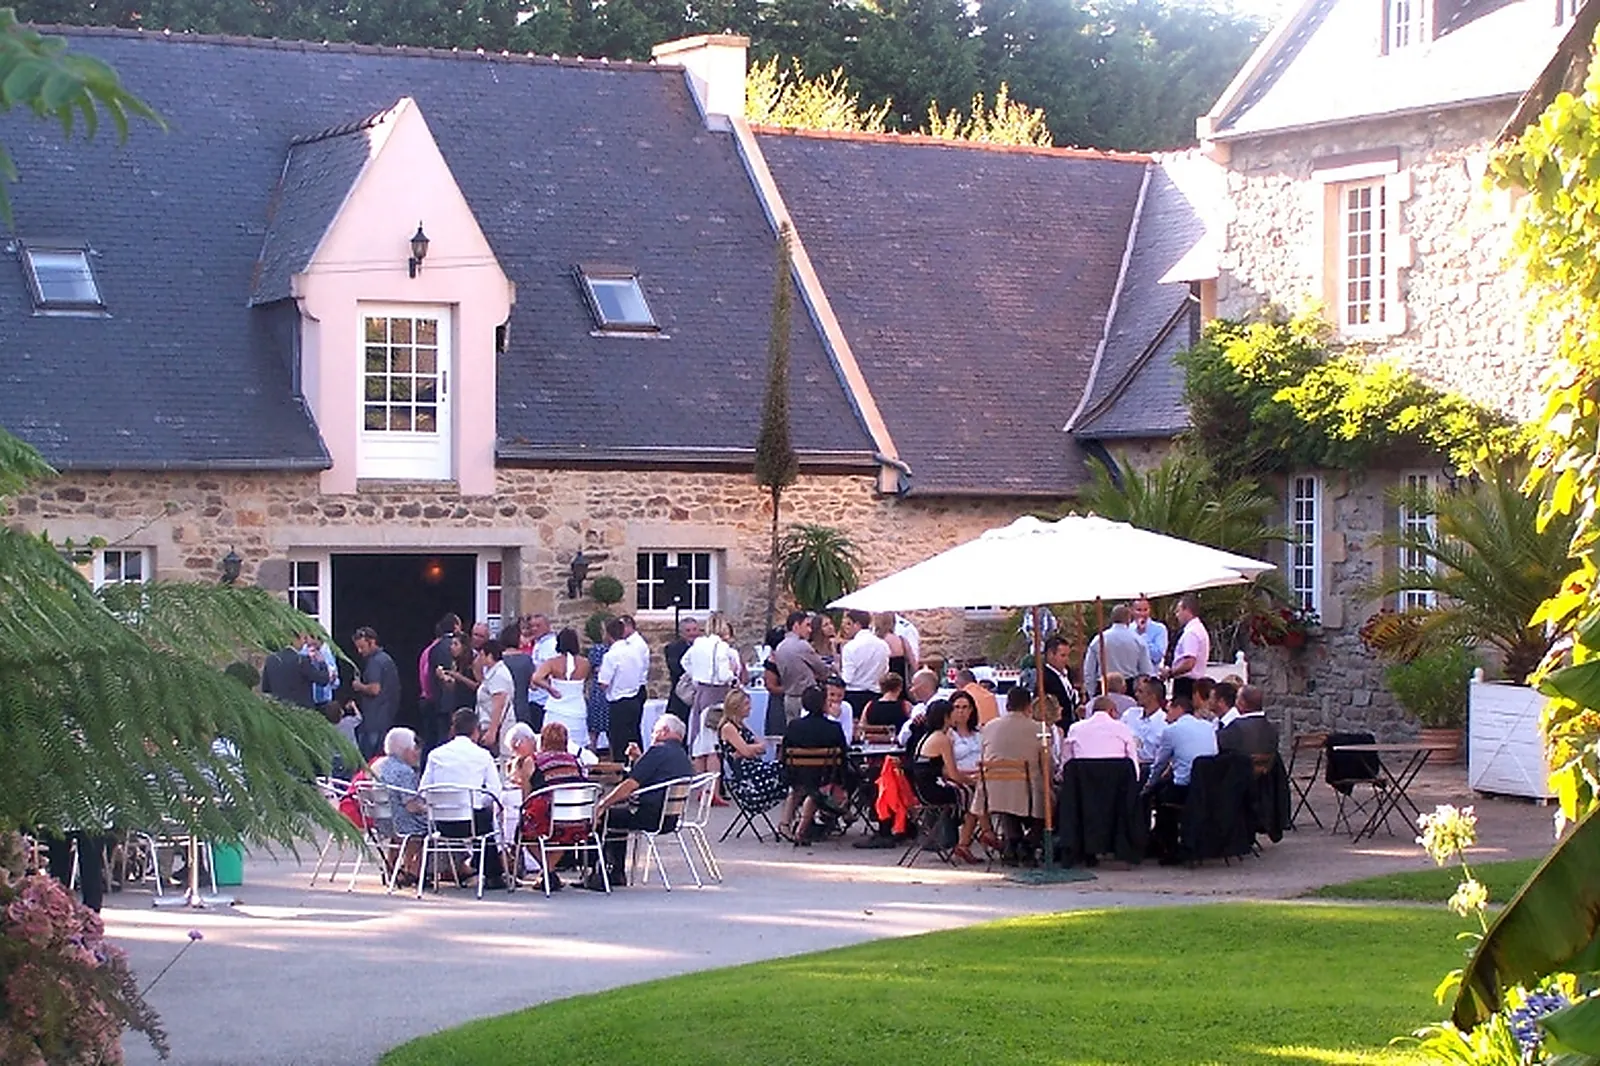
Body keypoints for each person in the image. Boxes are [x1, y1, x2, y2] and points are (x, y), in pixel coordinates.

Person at [592, 713, 694, 889]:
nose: (652, 736)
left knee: (607, 816)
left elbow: (630, 784)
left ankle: (603, 873)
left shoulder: (658, 751)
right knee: (617, 815)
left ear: (664, 731)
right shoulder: (681, 756)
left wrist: (602, 804)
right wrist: (640, 759)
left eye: (654, 731)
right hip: (670, 817)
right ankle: (615, 871)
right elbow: (656, 775)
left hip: (649, 816)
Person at [418, 708, 506, 889]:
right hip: (469, 823)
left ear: (452, 730)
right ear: (476, 732)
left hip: (439, 824)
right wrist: (477, 801)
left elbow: (424, 791)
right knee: (485, 816)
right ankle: (492, 874)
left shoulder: (435, 754)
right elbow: (495, 792)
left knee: (480, 814)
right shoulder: (483, 755)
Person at [973, 686, 1050, 864]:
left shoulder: (989, 727)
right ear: (1028, 706)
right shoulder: (1039, 729)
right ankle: (1029, 842)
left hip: (993, 792)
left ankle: (1013, 840)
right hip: (1028, 793)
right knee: (1049, 799)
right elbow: (1047, 765)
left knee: (1008, 795)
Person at [514, 721, 589, 892]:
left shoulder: (533, 761)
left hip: (545, 818)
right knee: (568, 834)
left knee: (523, 831)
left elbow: (526, 797)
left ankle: (547, 872)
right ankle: (549, 873)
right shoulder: (576, 761)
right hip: (574, 820)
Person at [779, 686, 849, 844]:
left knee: (798, 788)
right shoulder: (833, 727)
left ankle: (785, 824)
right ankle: (804, 828)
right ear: (825, 704)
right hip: (825, 777)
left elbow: (784, 753)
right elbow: (843, 753)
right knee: (817, 787)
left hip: (797, 774)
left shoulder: (794, 726)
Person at [682, 613, 745, 777]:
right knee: (712, 745)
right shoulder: (721, 647)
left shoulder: (698, 644)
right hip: (716, 693)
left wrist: (696, 674)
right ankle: (712, 789)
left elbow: (685, 661)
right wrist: (732, 675)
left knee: (699, 742)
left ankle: (699, 786)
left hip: (701, 691)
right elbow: (724, 675)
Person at [372, 727, 428, 885]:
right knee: (429, 826)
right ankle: (412, 871)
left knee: (402, 827)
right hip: (400, 823)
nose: (417, 752)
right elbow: (411, 806)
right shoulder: (404, 772)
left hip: (381, 821)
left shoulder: (378, 765)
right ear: (406, 750)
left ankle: (392, 868)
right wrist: (429, 808)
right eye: (414, 748)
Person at [717, 689, 787, 813]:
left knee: (786, 770)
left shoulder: (743, 726)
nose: (750, 708)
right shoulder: (729, 728)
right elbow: (747, 752)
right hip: (745, 774)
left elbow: (762, 746)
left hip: (754, 766)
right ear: (736, 706)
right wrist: (748, 750)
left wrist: (747, 749)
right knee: (783, 770)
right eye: (746, 704)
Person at [533, 628, 592, 750]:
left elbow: (536, 678)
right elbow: (586, 681)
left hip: (556, 708)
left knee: (551, 742)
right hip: (577, 708)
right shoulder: (585, 663)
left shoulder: (552, 663)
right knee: (577, 746)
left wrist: (550, 689)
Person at [597, 617, 648, 757]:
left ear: (608, 635)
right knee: (634, 737)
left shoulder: (611, 656)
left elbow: (603, 683)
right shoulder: (634, 651)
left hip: (619, 702)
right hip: (635, 698)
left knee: (619, 741)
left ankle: (621, 772)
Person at [1081, 605, 1155, 697]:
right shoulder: (1138, 641)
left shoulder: (1099, 640)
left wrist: (1092, 694)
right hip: (1129, 688)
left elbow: (1089, 671)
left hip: (1104, 687)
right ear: (1129, 619)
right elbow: (1146, 672)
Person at [351, 627, 400, 760]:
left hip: (374, 719)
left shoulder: (375, 663)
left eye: (362, 647)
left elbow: (374, 689)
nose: (359, 651)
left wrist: (358, 686)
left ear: (372, 642)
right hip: (384, 716)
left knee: (370, 758)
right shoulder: (385, 659)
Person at [772, 610, 829, 722]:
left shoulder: (780, 647)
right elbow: (823, 670)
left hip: (788, 697)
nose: (810, 630)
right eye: (807, 625)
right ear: (796, 626)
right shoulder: (802, 646)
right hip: (806, 698)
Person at [1062, 695, 1140, 769]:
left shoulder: (1075, 729)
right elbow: (1132, 757)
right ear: (1111, 711)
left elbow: (1067, 758)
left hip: (1082, 779)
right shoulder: (1123, 728)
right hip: (1116, 779)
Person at [423, 614, 463, 752]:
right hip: (454, 701)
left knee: (436, 739)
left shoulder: (434, 648)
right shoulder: (457, 645)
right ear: (456, 626)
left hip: (437, 700)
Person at [261, 633, 331, 710]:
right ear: (294, 639)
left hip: (280, 711)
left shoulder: (271, 659)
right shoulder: (301, 661)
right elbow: (323, 680)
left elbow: (266, 689)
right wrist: (322, 662)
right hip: (302, 712)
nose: (305, 642)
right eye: (303, 639)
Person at [839, 610, 890, 716]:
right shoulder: (883, 645)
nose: (846, 628)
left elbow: (847, 679)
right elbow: (885, 671)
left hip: (854, 696)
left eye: (849, 624)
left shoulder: (850, 647)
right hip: (876, 695)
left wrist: (836, 667)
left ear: (857, 625)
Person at [473, 639, 514, 754]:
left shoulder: (499, 674)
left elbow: (499, 704)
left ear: (489, 655)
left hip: (498, 727)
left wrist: (492, 731)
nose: (480, 659)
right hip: (487, 723)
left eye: (482, 655)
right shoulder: (492, 672)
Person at [1162, 594, 1212, 688]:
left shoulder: (1191, 633)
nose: (1177, 615)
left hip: (1187, 683)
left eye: (1178, 611)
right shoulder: (1198, 629)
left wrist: (1170, 672)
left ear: (1187, 610)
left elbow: (1189, 663)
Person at [1218, 685, 1279, 756]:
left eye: (1237, 698)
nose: (1235, 703)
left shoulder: (1235, 728)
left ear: (1242, 703)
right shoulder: (1272, 729)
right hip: (1265, 767)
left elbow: (1217, 745)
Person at [497, 622, 536, 729]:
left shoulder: (497, 659)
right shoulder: (526, 659)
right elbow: (534, 686)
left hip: (500, 709)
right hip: (521, 709)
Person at [1124, 676, 1171, 766]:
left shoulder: (1165, 723)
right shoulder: (1130, 714)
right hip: (1125, 765)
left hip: (1148, 766)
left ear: (1153, 696)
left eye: (1141, 692)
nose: (1136, 695)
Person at [664, 616, 700, 722]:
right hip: (681, 696)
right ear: (681, 633)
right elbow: (677, 670)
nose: (692, 633)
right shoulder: (673, 648)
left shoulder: (703, 647)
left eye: (694, 629)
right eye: (688, 630)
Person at [524, 614, 558, 726]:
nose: (534, 629)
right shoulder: (539, 643)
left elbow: (553, 670)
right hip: (535, 697)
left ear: (548, 626)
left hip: (544, 698)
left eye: (538, 626)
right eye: (531, 626)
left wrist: (538, 682)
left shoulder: (551, 645)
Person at [860, 671, 910, 742]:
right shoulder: (905, 706)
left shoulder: (870, 705)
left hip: (873, 745)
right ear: (899, 688)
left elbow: (862, 726)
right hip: (897, 745)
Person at [1040, 636, 1079, 722]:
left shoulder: (1068, 672)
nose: (1066, 659)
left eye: (1067, 655)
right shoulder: (1043, 678)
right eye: (1062, 656)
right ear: (1050, 654)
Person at [1132, 596, 1169, 674]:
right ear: (1132, 611)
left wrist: (1143, 635)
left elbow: (1157, 657)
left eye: (1145, 610)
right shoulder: (1128, 629)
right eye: (1139, 610)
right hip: (1132, 676)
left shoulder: (1159, 629)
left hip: (1151, 677)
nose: (1142, 614)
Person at [875, 612, 912, 680]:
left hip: (883, 680)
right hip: (900, 681)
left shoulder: (877, 641)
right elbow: (913, 662)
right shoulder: (902, 640)